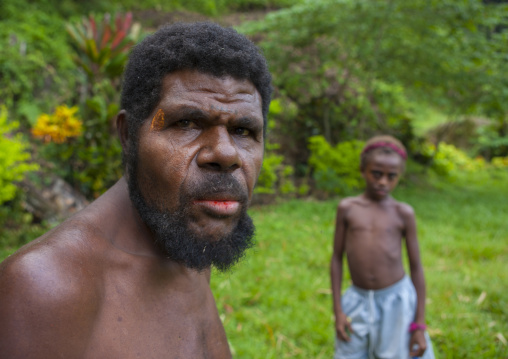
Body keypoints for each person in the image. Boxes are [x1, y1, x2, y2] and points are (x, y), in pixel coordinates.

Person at [0, 22, 272, 358]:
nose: (226, 154)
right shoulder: (45, 286)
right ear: (129, 135)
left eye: (244, 130)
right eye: (186, 123)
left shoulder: (186, 239)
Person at [331, 135, 435, 359]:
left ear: (399, 177)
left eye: (391, 176)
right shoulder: (348, 209)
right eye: (376, 173)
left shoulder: (403, 213)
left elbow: (416, 268)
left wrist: (419, 323)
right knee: (348, 351)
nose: (383, 182)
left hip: (395, 303)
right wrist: (338, 311)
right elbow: (337, 259)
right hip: (356, 300)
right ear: (363, 169)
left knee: (394, 354)